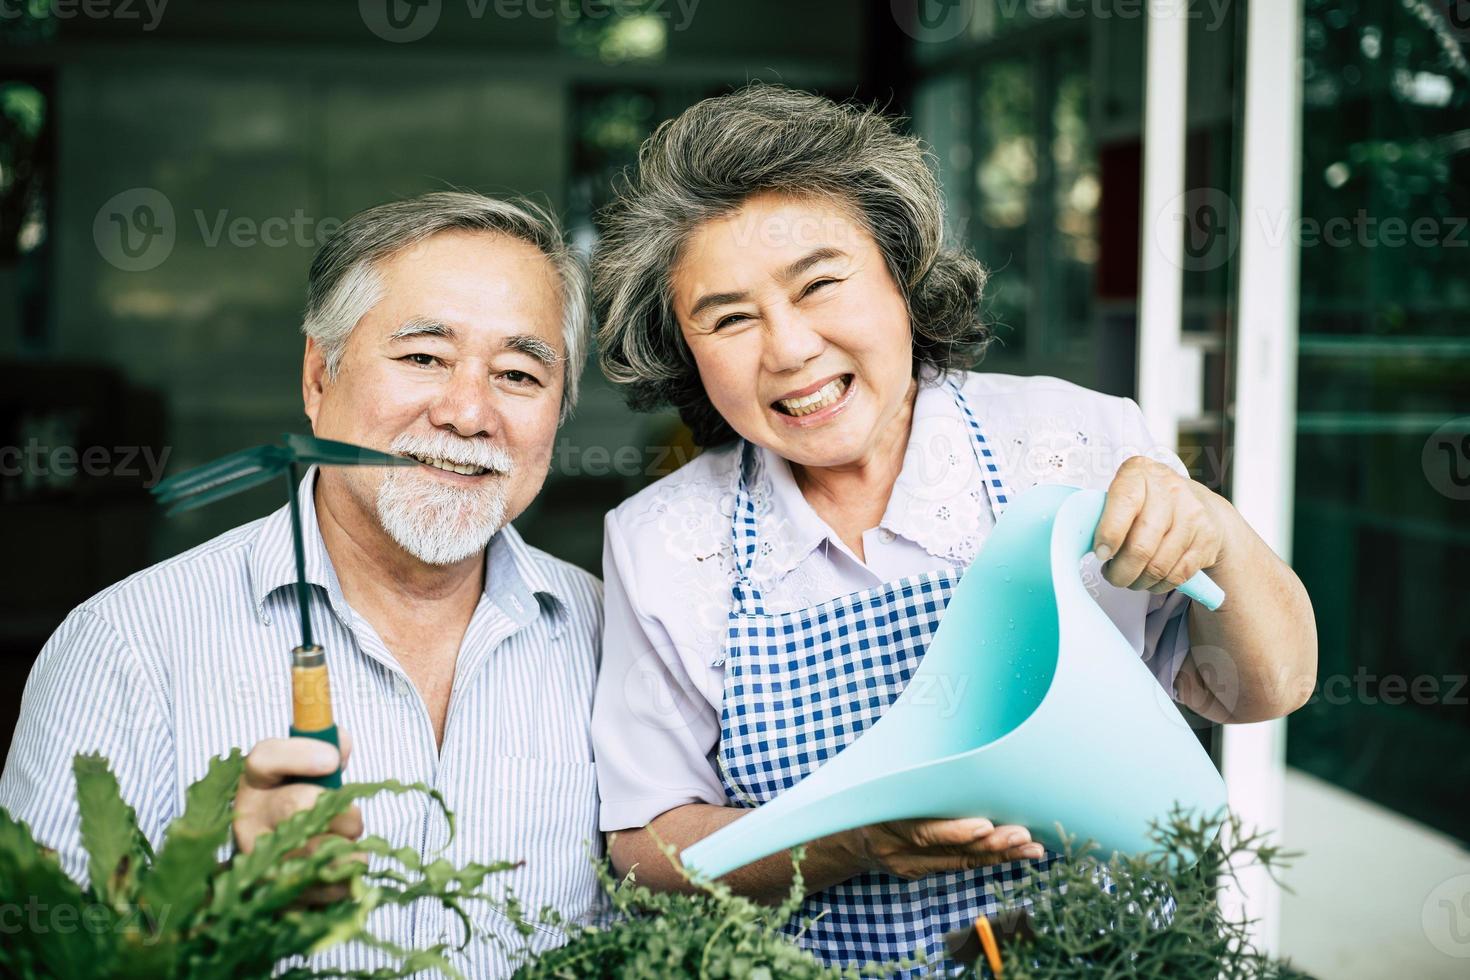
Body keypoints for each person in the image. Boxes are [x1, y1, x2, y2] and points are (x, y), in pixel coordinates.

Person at [589, 85, 1318, 971]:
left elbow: (1266, 689)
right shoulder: (660, 540)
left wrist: (1213, 525)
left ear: (900, 276)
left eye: (819, 283)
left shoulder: (1077, 441)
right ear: (686, 351)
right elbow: (646, 845)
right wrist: (851, 841)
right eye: (731, 317)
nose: (787, 349)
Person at [0, 192, 603, 978]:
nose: (467, 412)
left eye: (519, 374)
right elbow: (35, 958)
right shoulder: (126, 644)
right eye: (423, 357)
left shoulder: (617, 639)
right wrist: (224, 901)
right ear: (320, 379)